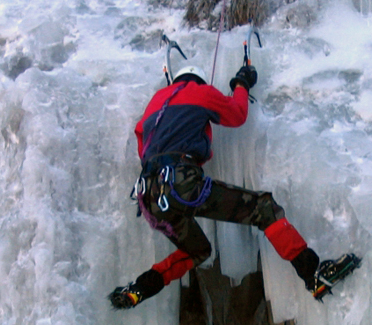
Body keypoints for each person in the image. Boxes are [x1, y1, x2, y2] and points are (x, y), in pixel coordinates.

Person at [109, 64, 359, 309]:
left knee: (197, 251)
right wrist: (241, 83)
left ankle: (139, 289)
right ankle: (313, 274)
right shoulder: (199, 91)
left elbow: (143, 146)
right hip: (180, 181)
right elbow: (237, 114)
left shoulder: (154, 104)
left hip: (149, 196)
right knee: (264, 208)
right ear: (198, 81)